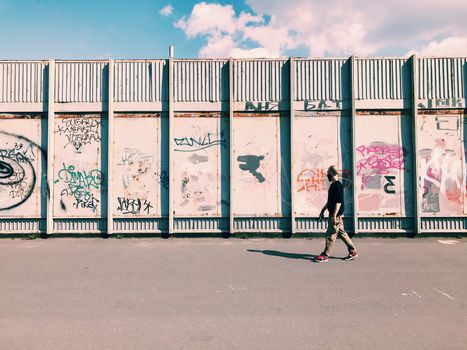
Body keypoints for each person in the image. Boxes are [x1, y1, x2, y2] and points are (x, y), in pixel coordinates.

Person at [315, 165, 358, 263]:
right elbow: (330, 201)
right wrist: (323, 209)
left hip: (336, 215)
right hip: (334, 214)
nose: (327, 175)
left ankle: (325, 255)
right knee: (342, 233)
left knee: (330, 234)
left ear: (333, 174)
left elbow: (338, 202)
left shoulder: (338, 186)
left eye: (328, 173)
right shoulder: (332, 185)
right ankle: (353, 251)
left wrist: (334, 215)